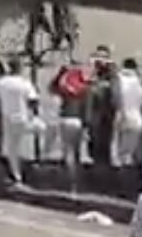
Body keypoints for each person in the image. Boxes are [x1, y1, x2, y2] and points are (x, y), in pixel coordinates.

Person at [0, 57, 39, 185]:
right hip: (22, 117)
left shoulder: (1, 83)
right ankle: (32, 165)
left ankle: (16, 175)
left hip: (7, 118)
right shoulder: (25, 83)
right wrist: (34, 115)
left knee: (12, 148)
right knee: (37, 132)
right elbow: (33, 101)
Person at [51, 61, 89, 193]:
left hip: (66, 119)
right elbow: (86, 109)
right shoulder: (83, 89)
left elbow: (52, 87)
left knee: (67, 153)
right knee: (77, 153)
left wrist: (60, 73)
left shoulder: (66, 88)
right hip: (78, 120)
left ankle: (70, 182)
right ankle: (77, 183)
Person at [115, 57, 142, 173]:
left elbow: (116, 98)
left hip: (121, 116)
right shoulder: (139, 80)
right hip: (137, 118)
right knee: (131, 152)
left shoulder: (118, 79)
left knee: (120, 151)